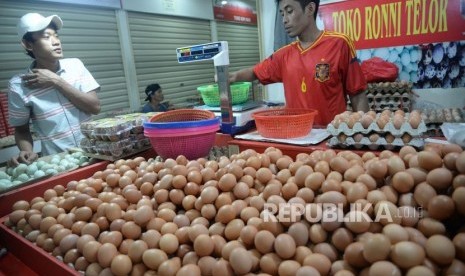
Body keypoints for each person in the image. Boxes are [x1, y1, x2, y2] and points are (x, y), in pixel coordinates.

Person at [229, 0, 369, 126]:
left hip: (330, 138)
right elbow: (255, 72)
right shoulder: (284, 55)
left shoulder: (339, 44)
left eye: (289, 11)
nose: (284, 20)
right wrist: (230, 77)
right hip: (296, 136)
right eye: (282, 14)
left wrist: (361, 134)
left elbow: (357, 94)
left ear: (310, 9)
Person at [7, 13, 100, 166]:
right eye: (46, 37)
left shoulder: (75, 66)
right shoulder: (19, 85)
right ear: (28, 44)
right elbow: (22, 130)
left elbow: (95, 107)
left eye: (56, 36)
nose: (56, 42)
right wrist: (27, 151)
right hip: (58, 162)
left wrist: (57, 81)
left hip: (95, 152)